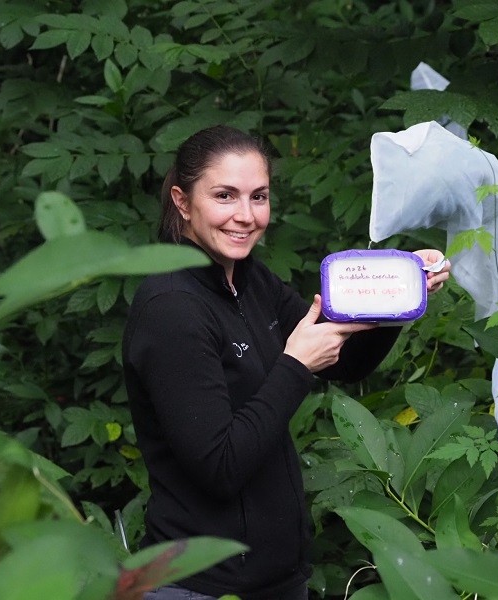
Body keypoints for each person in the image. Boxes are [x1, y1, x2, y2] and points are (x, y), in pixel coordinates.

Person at [122, 125, 450, 600]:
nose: (245, 216)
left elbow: (342, 363)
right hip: (201, 586)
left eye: (259, 197)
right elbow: (220, 466)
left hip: (275, 579)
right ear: (182, 200)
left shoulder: (251, 280)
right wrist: (295, 365)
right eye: (224, 196)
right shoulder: (171, 308)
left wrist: (399, 296)